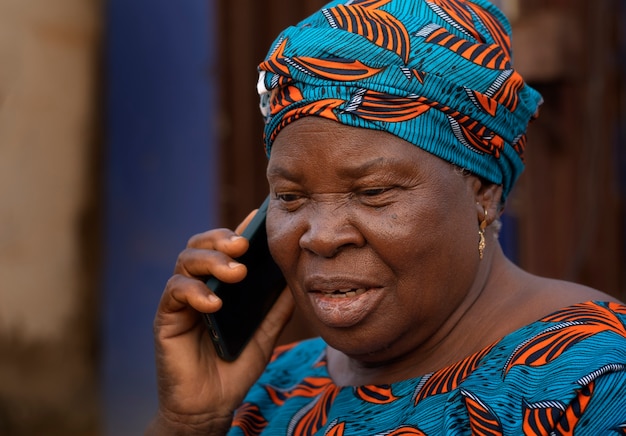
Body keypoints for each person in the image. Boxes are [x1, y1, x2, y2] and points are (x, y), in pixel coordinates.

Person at [146, 0, 626, 434]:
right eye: (290, 197)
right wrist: (188, 421)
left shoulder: (594, 379)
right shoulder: (270, 389)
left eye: (373, 192)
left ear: (483, 192)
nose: (321, 237)